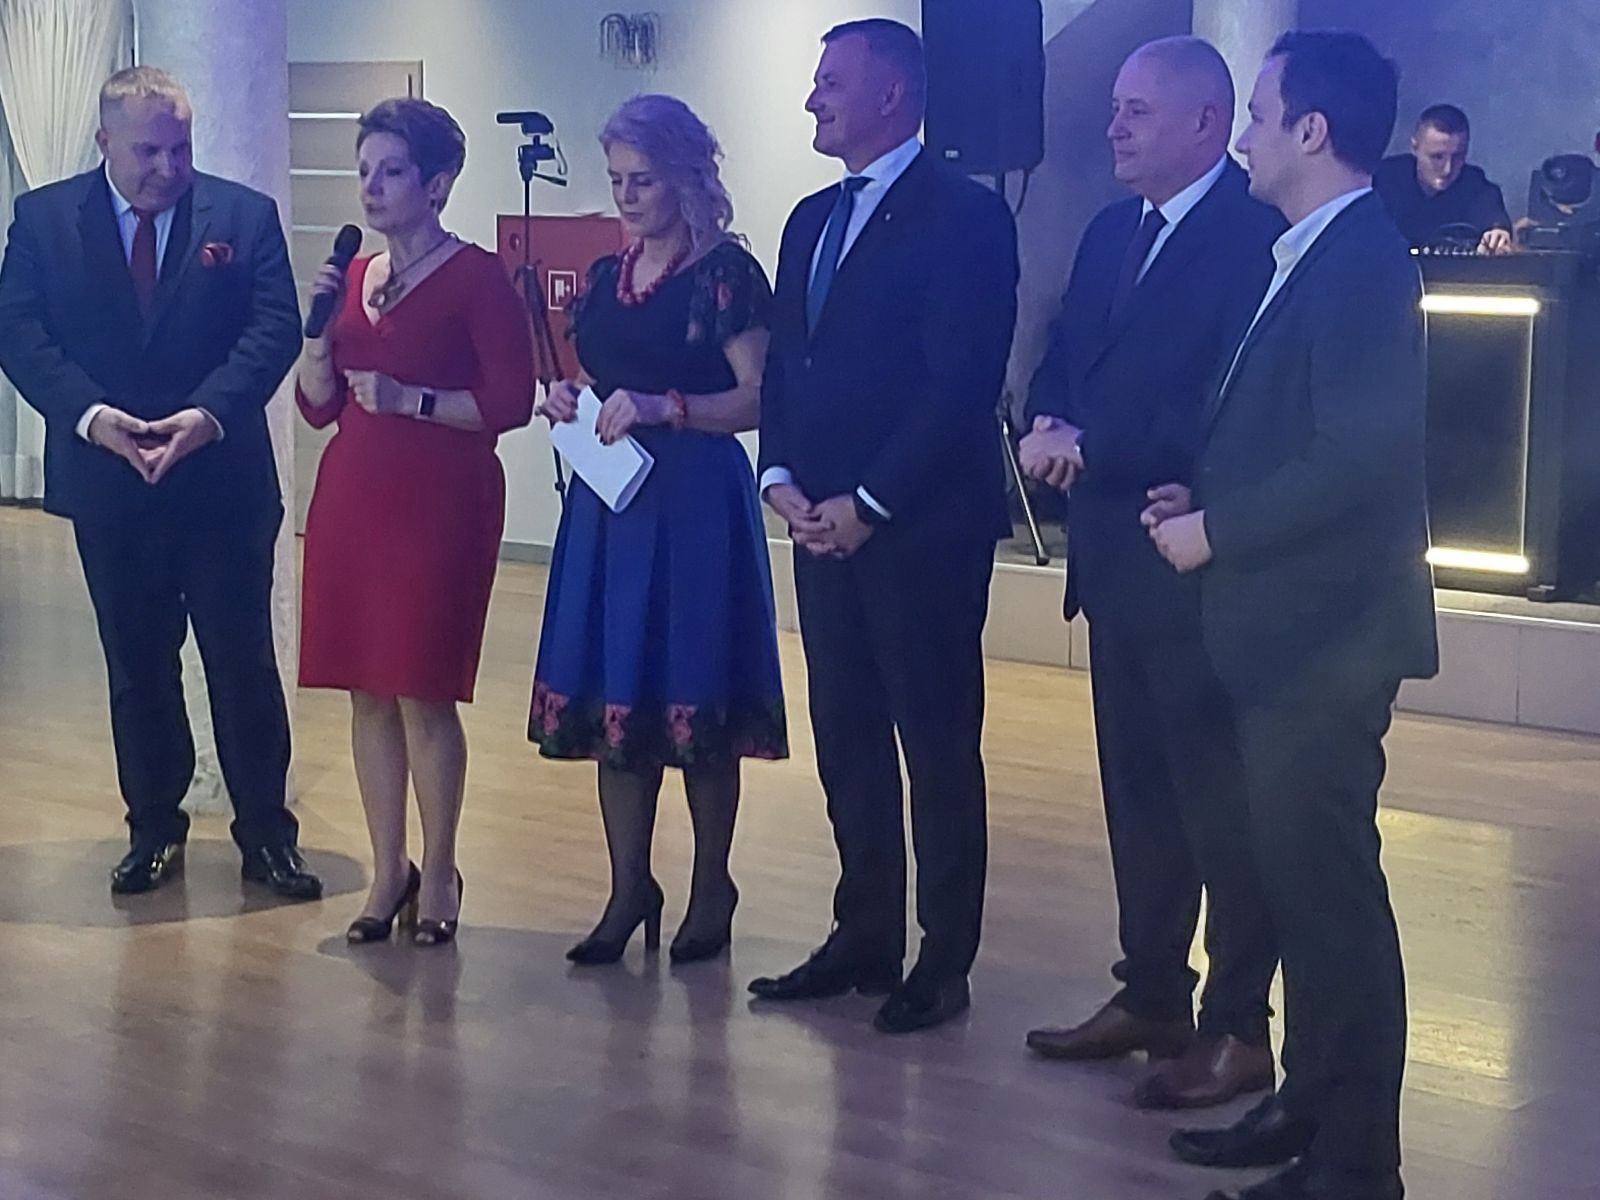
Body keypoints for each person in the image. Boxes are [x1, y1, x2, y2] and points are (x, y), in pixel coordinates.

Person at [1146, 33, 1438, 1200]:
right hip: (1286, 633)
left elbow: (1359, 460)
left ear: (1311, 130)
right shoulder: (1312, 251)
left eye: (1259, 115)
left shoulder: (1359, 260)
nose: (1243, 138)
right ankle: (1307, 1108)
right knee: (1300, 891)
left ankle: (1357, 1161)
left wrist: (1216, 531)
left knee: (1331, 901)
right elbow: (1289, 435)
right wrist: (1200, 500)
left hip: (1328, 641)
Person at [1017, 37, 1282, 1111]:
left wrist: (1095, 444)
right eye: (1116, 107)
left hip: (1193, 557)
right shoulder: (1109, 229)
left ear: (1207, 123)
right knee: (1138, 798)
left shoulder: (1252, 235)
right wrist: (1045, 417)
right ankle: (1153, 992)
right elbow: (1063, 354)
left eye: (1137, 111)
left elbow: (1229, 400)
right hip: (1112, 559)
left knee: (1220, 806)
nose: (1113, 126)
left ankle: (1238, 1023)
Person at [748, 19, 1019, 1034]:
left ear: (893, 96)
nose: (812, 99)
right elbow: (788, 365)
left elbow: (959, 383)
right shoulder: (810, 217)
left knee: (936, 744)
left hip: (920, 530)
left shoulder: (966, 215)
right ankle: (864, 932)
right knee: (847, 735)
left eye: (831, 82)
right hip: (818, 522)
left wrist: (868, 503)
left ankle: (942, 961)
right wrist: (779, 476)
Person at [0, 67, 319, 900]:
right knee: (137, 666)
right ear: (104, 141)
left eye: (180, 149)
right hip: (109, 483)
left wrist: (207, 415)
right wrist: (91, 416)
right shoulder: (44, 220)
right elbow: (20, 332)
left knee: (242, 664)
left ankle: (267, 835)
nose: (168, 168)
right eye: (148, 151)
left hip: (221, 485)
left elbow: (273, 328)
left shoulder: (243, 216)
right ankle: (152, 828)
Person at [530, 94, 788, 967]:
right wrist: (573, 399)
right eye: (616, 181)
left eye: (642, 180)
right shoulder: (609, 276)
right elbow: (607, 379)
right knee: (619, 693)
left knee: (696, 688)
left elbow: (759, 398)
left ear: (684, 178)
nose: (627, 197)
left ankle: (712, 886)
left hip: (694, 500)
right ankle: (628, 888)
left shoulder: (726, 276)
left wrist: (666, 406)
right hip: (613, 501)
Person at [296, 98, 534, 945]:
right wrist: (316, 339)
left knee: (423, 689)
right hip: (352, 500)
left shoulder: (478, 279)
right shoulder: (354, 276)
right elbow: (318, 405)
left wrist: (413, 399)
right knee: (366, 690)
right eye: (364, 170)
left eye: (391, 171)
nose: (371, 186)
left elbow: (511, 402)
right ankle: (387, 868)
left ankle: (439, 872)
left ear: (436, 184)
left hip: (440, 505)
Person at [1372, 103, 1512, 253]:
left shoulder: (1474, 185)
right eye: (1437, 157)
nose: (1447, 169)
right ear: (1414, 148)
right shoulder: (1382, 180)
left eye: (1458, 157)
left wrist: (1498, 232)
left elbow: (1492, 214)